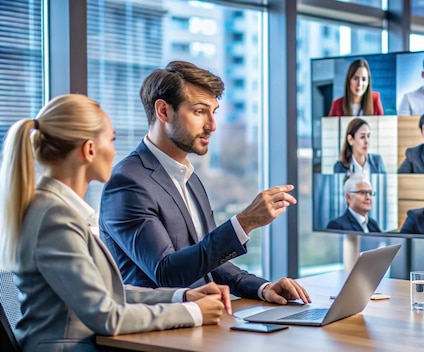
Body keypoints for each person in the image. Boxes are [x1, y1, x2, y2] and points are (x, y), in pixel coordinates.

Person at [0, 94, 233, 352]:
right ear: (89, 150)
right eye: (111, 140)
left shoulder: (56, 209)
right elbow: (106, 317)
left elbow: (109, 293)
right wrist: (192, 313)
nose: (114, 151)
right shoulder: (53, 216)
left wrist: (182, 296)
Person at [99, 61, 310, 305]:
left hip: (200, 321)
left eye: (214, 111)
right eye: (200, 111)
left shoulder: (189, 178)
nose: (212, 125)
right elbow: (166, 273)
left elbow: (209, 260)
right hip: (154, 334)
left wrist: (262, 287)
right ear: (163, 111)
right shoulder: (127, 182)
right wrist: (244, 222)